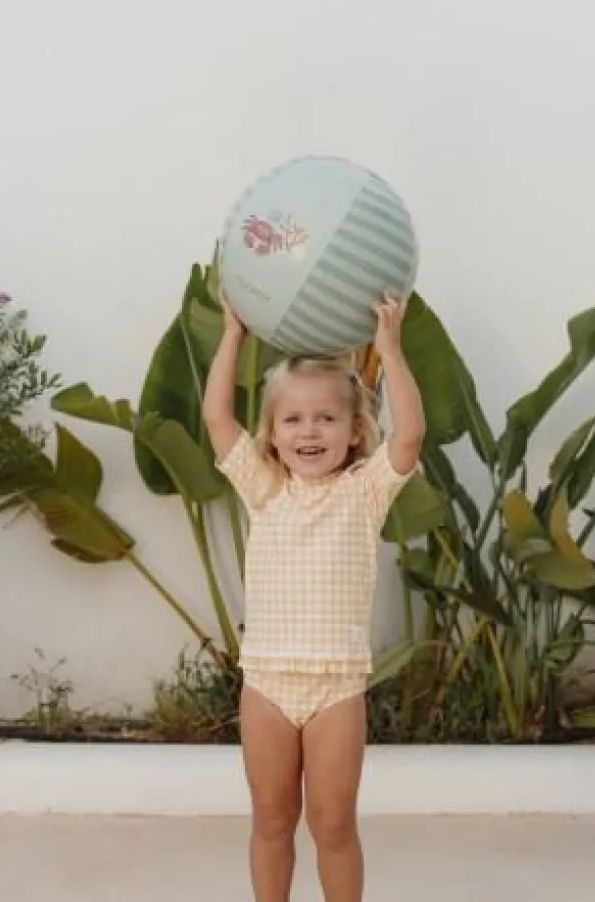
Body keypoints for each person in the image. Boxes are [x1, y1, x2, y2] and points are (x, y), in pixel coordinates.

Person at [202, 293, 425, 902]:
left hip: (336, 687)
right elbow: (218, 419)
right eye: (293, 419)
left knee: (333, 825)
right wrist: (233, 334)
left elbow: (409, 436)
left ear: (354, 432)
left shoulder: (365, 492)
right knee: (272, 821)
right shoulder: (263, 488)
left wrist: (389, 350)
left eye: (326, 418)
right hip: (267, 684)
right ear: (272, 435)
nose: (309, 430)